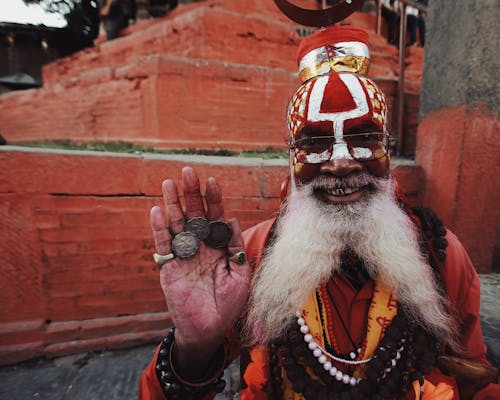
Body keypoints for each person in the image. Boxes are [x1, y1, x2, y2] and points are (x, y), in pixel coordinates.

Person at [138, 24, 500, 400]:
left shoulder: (442, 256)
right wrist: (194, 346)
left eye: (362, 138)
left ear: (388, 151)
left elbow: (478, 380)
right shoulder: (247, 259)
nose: (340, 163)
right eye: (315, 142)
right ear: (291, 157)